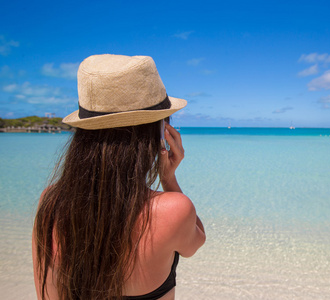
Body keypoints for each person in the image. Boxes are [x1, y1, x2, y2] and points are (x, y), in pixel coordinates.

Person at [32, 54, 206, 300]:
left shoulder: (50, 202)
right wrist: (168, 179)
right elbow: (196, 242)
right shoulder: (173, 210)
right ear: (158, 133)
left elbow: (46, 294)